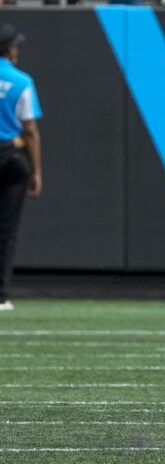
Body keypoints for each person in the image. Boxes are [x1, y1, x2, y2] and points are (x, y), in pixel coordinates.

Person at [0, 23, 42, 312]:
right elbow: (30, 130)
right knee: (7, 229)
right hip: (10, 156)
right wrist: (37, 170)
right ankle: (1, 293)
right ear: (10, 48)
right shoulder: (21, 81)